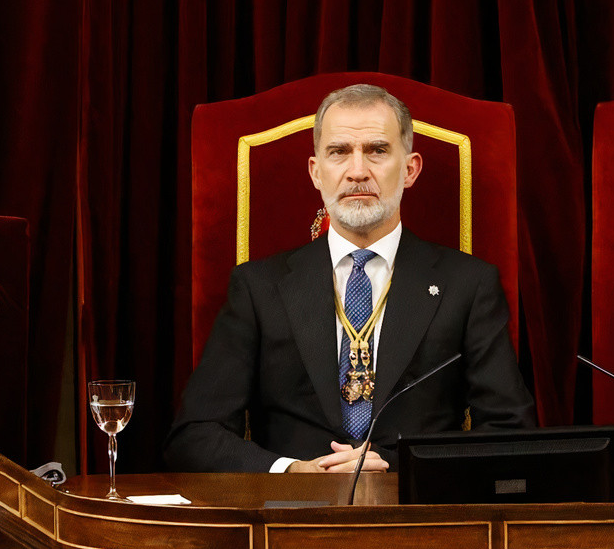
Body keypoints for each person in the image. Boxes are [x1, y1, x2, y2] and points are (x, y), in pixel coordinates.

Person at [165, 83, 535, 473]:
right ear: (316, 173)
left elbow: (510, 433)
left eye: (377, 151)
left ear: (410, 169)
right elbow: (194, 436)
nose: (358, 171)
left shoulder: (468, 285)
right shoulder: (259, 287)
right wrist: (288, 471)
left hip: (417, 520)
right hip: (292, 519)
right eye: (339, 152)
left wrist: (399, 469)